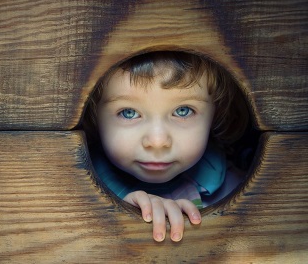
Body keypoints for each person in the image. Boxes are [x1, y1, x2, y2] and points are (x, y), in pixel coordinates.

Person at [83, 51, 250, 243]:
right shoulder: (73, 186)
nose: (157, 141)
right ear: (94, 116)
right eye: (128, 112)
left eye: (183, 111)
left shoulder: (234, 182)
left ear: (216, 112)